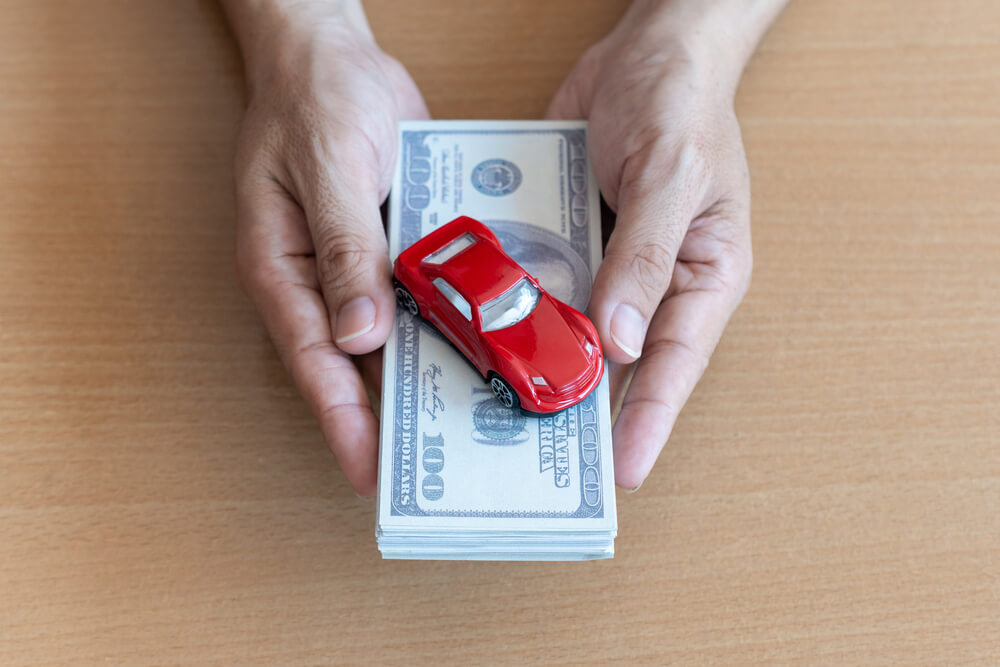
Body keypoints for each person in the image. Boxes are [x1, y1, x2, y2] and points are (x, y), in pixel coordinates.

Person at [220, 0, 787, 497]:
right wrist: (296, 34)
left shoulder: (535, 299)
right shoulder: (463, 315)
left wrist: (692, 36)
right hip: (476, 305)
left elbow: (559, 321)